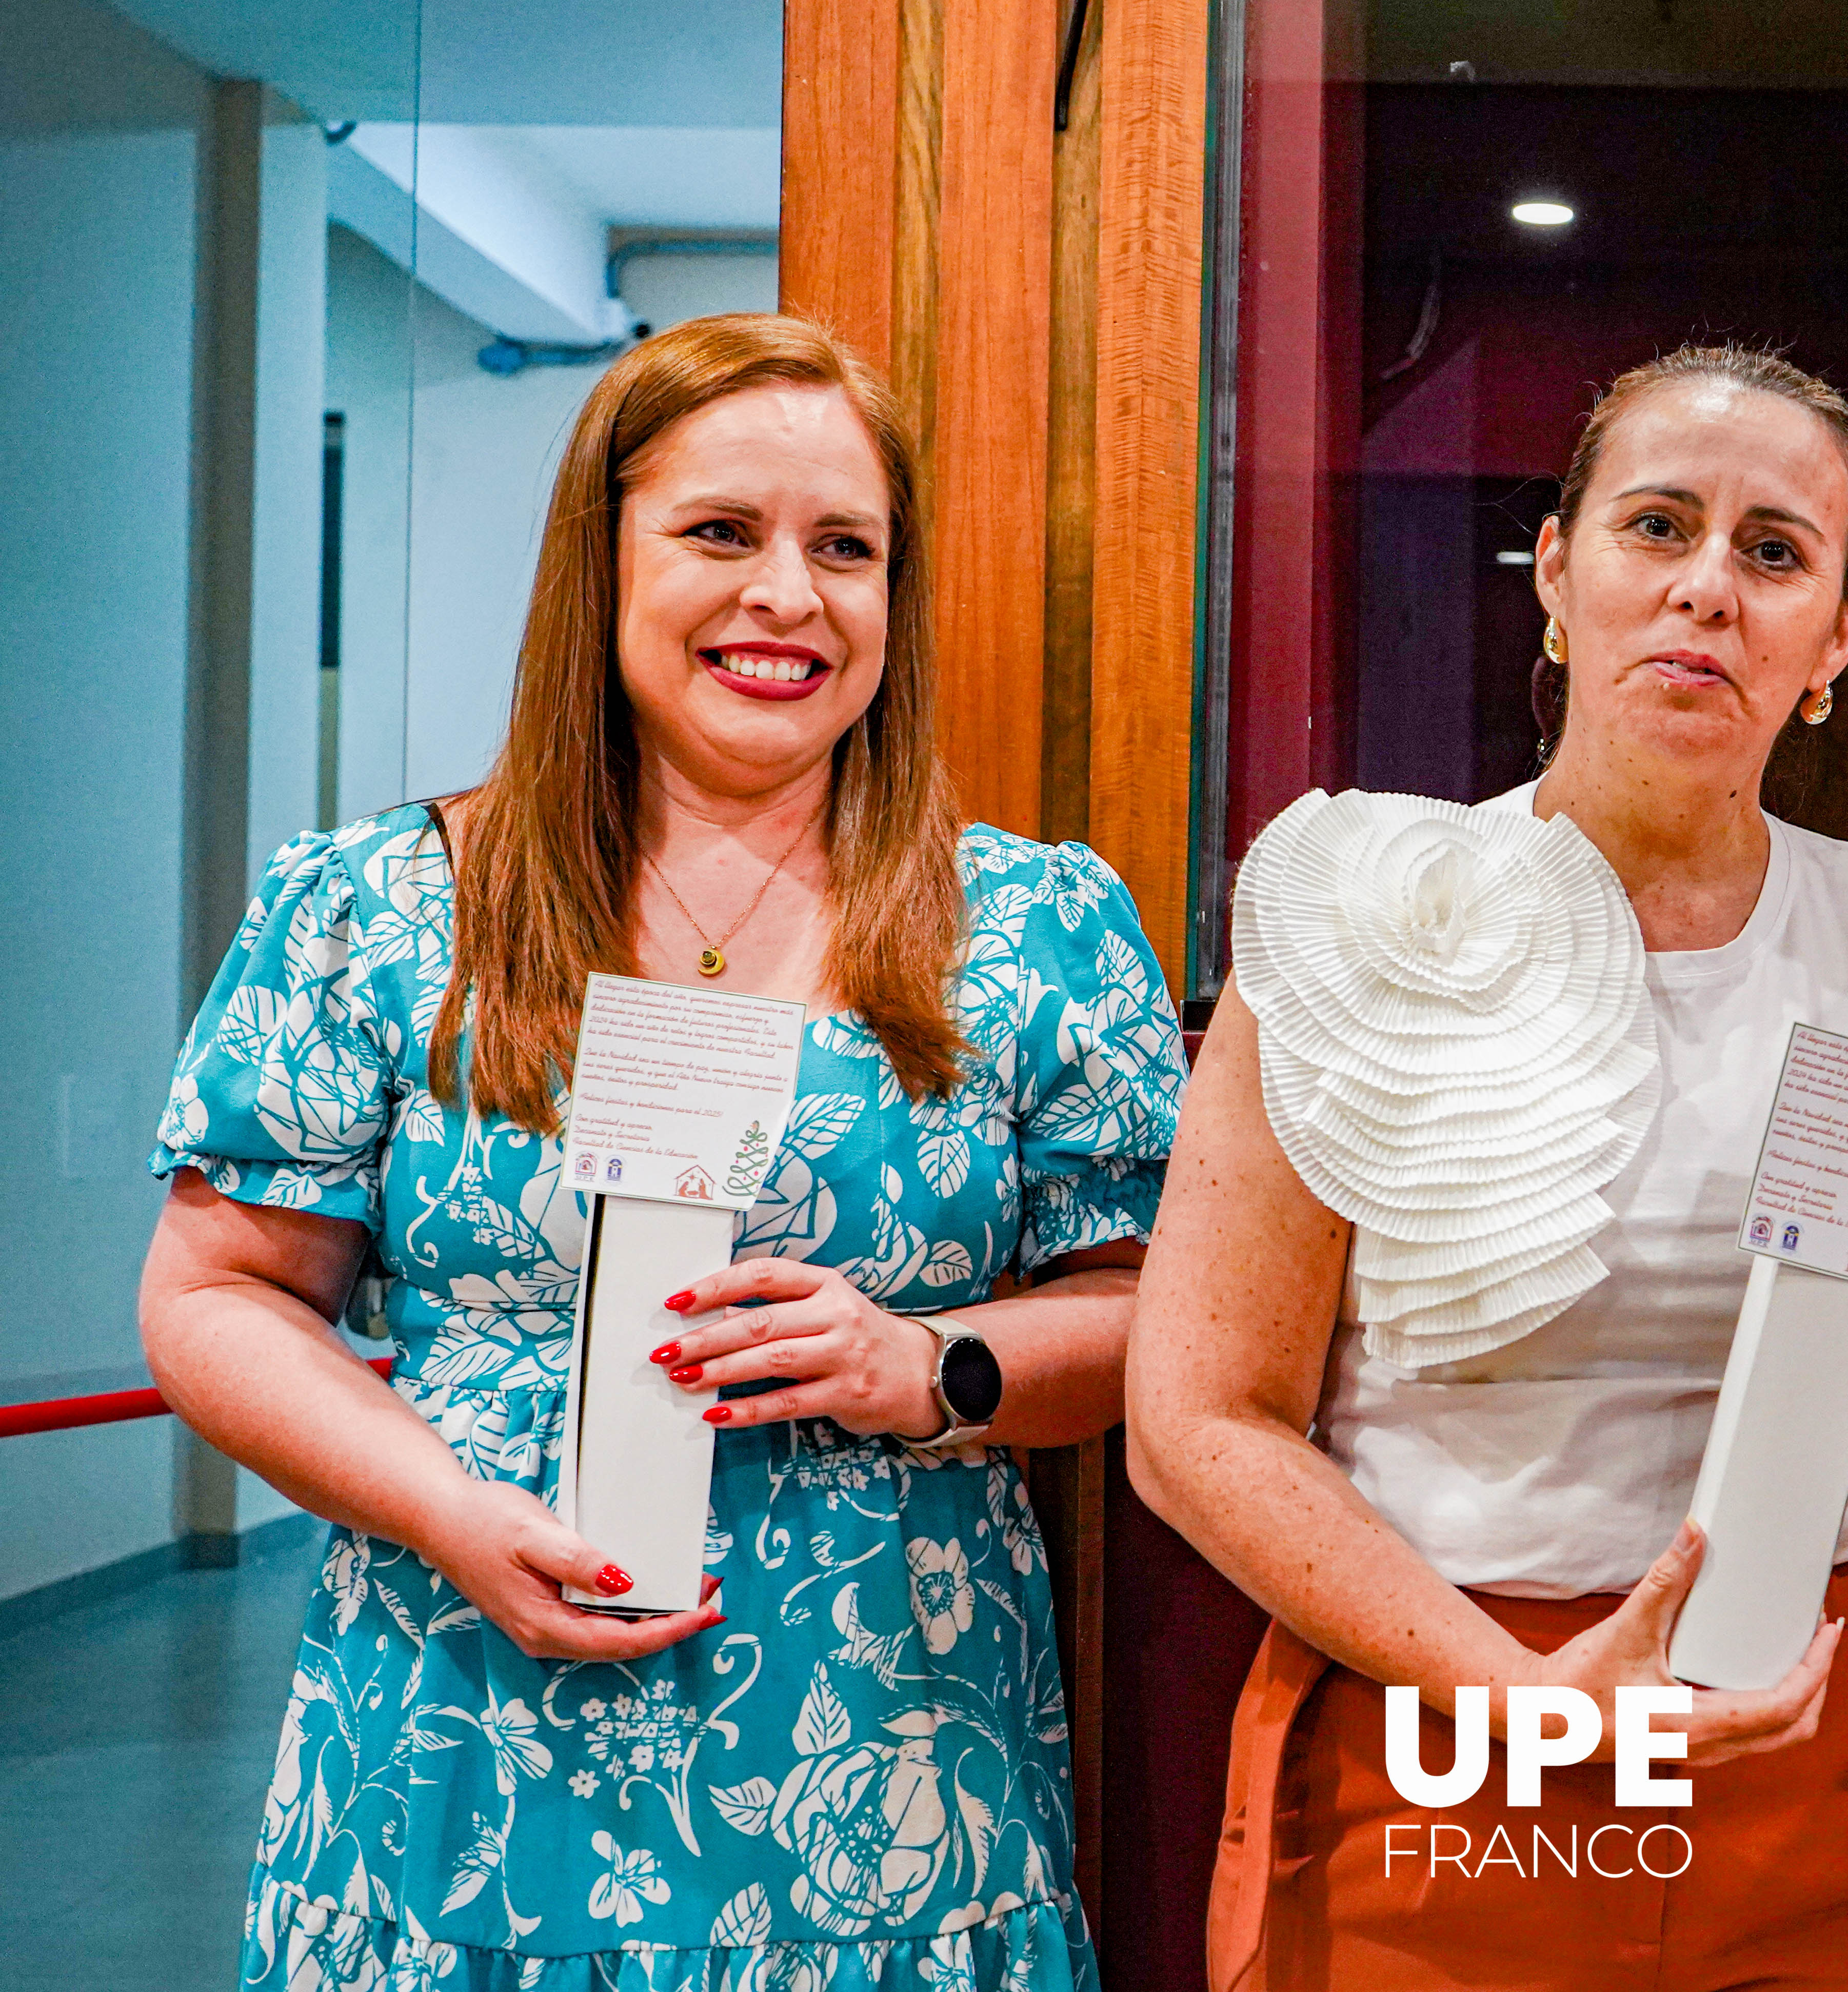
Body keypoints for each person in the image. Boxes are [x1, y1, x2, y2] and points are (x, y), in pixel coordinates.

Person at [138, 314, 1183, 1991]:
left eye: (848, 548)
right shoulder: (378, 911)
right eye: (721, 533)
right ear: (601, 558)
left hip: (892, 1782)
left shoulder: (1040, 926)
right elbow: (218, 1299)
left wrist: (933, 1364)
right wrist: (444, 1509)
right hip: (460, 1726)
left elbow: (1146, 1310)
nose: (789, 594)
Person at [1128, 343, 1848, 1990]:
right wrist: (1526, 1699)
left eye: (1775, 552)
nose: (1710, 586)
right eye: (1658, 526)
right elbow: (1198, 1422)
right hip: (1447, 1737)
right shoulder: (1357, 916)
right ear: (1559, 576)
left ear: (1838, 636)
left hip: (1826, 1745)